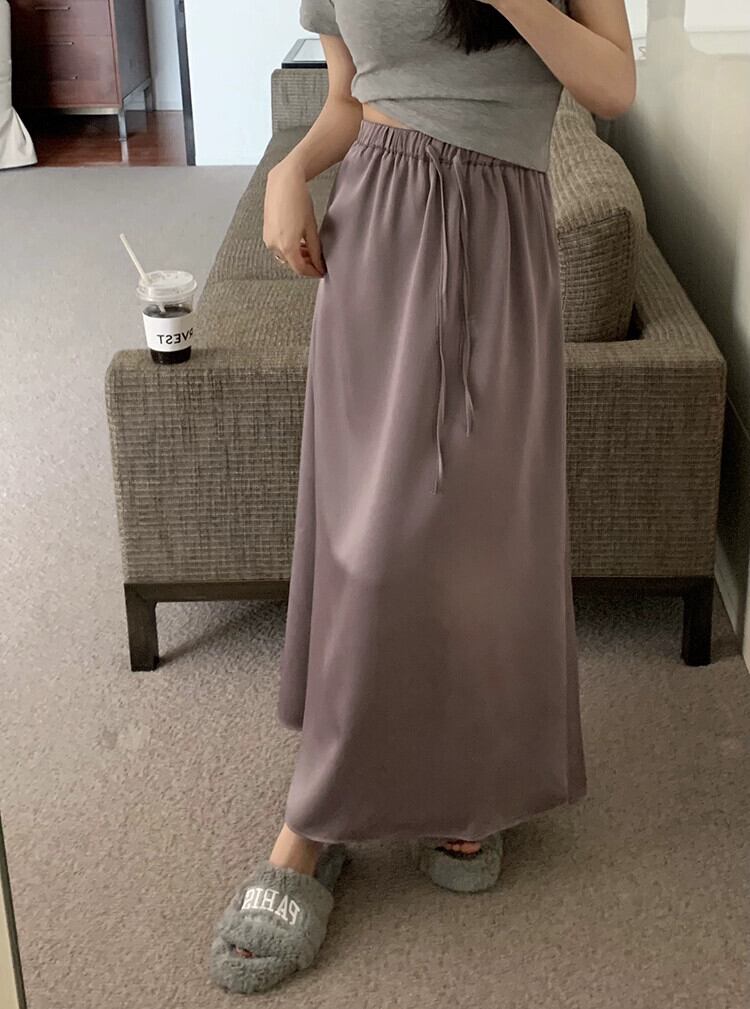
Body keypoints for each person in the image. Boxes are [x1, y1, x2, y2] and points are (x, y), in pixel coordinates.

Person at [209, 0, 636, 994]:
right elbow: (349, 100)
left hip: (500, 236)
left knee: (481, 538)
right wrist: (290, 171)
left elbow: (614, 86)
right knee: (365, 535)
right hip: (378, 227)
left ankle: (467, 783)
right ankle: (312, 824)